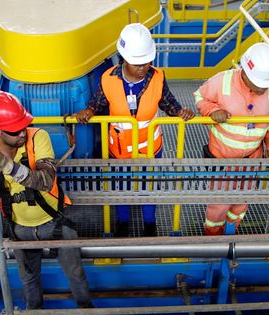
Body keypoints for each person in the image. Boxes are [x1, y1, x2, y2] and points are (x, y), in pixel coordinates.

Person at [0, 91, 113, 315]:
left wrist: (7, 165)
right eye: (15, 130)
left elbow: (45, 181)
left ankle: (86, 314)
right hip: (19, 227)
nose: (23, 133)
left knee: (75, 272)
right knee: (28, 277)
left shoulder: (38, 137)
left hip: (55, 221)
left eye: (24, 126)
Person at [75, 23, 195, 237]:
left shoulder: (158, 77)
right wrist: (89, 110)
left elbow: (167, 102)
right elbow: (98, 103)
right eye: (137, 63)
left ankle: (150, 225)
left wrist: (179, 112)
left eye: (147, 61)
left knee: (148, 186)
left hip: (149, 147)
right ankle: (123, 223)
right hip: (119, 149)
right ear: (124, 59)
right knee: (121, 186)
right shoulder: (108, 79)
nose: (144, 66)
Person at [193, 42, 269, 235]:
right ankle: (212, 235)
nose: (262, 90)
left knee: (242, 200)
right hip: (223, 160)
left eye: (265, 85)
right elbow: (200, 96)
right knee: (220, 203)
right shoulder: (222, 81)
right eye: (258, 84)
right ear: (245, 72)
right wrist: (213, 110)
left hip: (252, 159)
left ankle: (232, 230)